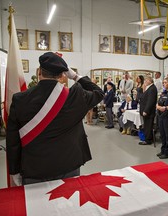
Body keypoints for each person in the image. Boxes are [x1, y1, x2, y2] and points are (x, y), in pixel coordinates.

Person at [6, 52, 104, 186]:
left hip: (34, 169)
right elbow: (99, 92)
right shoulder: (76, 96)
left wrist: (14, 170)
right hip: (68, 166)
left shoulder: (20, 99)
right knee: (70, 206)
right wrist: (75, 76)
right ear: (63, 75)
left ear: (40, 71)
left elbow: (13, 140)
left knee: (36, 207)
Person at [139, 76, 157, 145]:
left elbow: (150, 101)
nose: (145, 82)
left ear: (150, 81)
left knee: (148, 126)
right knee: (146, 126)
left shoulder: (152, 88)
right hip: (146, 110)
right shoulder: (149, 88)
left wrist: (146, 110)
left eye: (146, 81)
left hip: (149, 112)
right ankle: (147, 138)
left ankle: (148, 140)